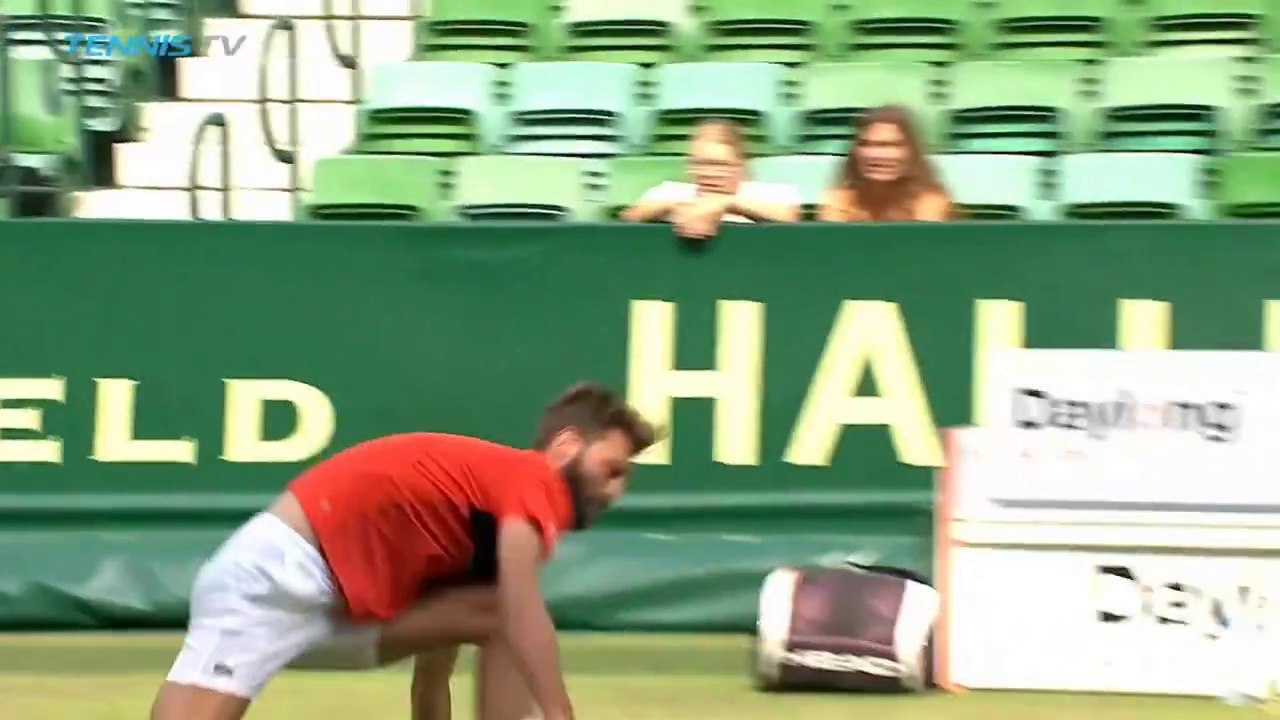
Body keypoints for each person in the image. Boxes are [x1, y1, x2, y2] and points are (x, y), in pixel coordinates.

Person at [150, 381, 657, 720]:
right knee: (512, 617)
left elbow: (434, 675)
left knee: (497, 615)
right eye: (611, 470)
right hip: (275, 582)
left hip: (341, 609)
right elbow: (528, 617)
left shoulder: (480, 526)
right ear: (566, 446)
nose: (614, 492)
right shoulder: (529, 481)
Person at [620, 118, 801, 240]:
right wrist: (677, 206)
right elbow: (630, 218)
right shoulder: (671, 191)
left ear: (741, 164)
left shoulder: (771, 193)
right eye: (700, 164)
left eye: (720, 165)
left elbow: (789, 217)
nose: (709, 173)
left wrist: (726, 203)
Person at [818, 105, 954, 223]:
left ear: (911, 153)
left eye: (890, 145)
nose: (875, 155)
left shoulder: (930, 202)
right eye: (865, 144)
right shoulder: (838, 200)